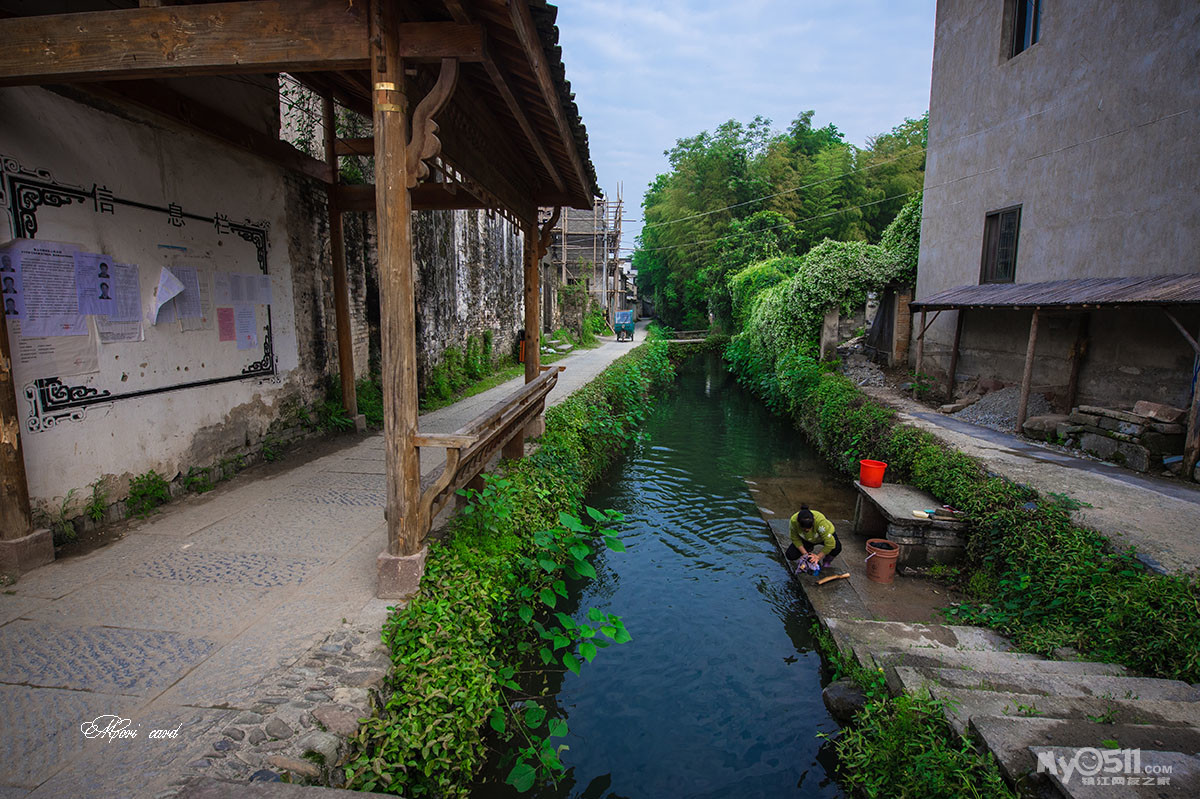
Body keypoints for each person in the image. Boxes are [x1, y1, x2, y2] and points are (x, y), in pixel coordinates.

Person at [786, 504, 841, 572]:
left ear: (814, 520)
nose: (808, 531)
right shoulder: (794, 522)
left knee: (837, 547)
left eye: (809, 528)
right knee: (790, 555)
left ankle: (827, 560)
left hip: (821, 537)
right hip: (806, 539)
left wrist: (818, 557)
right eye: (805, 530)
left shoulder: (820, 522)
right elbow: (795, 538)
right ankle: (809, 549)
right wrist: (805, 554)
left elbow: (830, 543)